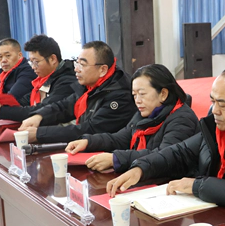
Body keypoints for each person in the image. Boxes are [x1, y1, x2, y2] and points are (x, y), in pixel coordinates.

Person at [105, 66, 225, 217]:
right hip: (215, 214)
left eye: (222, 105)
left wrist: (198, 186)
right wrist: (141, 168)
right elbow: (180, 152)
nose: (215, 111)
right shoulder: (216, 126)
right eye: (213, 101)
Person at [65, 63, 200, 172]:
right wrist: (88, 142)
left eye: (142, 94)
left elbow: (164, 156)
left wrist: (116, 159)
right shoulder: (145, 113)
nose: (137, 100)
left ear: (163, 94)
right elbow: (120, 138)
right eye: (134, 95)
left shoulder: (182, 118)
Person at [18, 41, 136, 143]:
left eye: (82, 65)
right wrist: (39, 116)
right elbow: (65, 106)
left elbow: (90, 129)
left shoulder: (120, 95)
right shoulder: (90, 86)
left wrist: (40, 134)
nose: (76, 69)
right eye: (77, 63)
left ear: (102, 70)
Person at [0, 34, 76, 122]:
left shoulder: (67, 81)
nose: (33, 67)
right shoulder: (44, 79)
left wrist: (1, 109)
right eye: (31, 62)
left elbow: (43, 110)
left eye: (36, 62)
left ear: (52, 59)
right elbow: (24, 101)